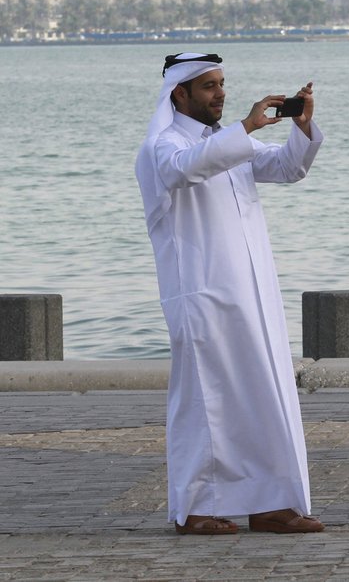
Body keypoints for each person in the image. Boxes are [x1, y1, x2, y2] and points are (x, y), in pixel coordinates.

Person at [135, 52, 325, 536]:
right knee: (206, 401)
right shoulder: (163, 145)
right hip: (200, 295)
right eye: (209, 87)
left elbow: (286, 168)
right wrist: (244, 127)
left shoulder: (223, 142)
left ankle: (270, 504)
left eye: (222, 83)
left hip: (251, 293)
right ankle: (195, 509)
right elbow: (184, 170)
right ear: (179, 94)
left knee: (262, 393)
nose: (220, 93)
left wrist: (300, 126)